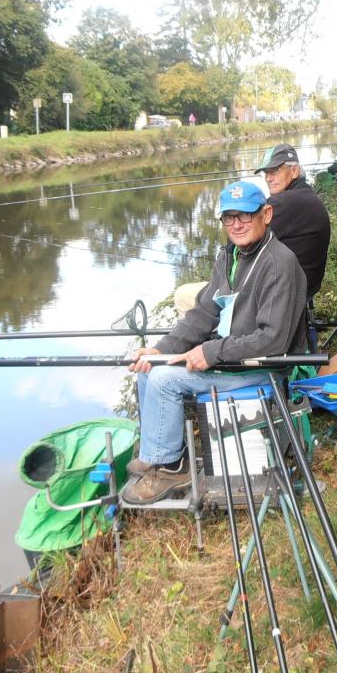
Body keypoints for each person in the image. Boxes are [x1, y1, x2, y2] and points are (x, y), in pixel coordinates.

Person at [123, 181, 308, 504]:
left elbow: (272, 338)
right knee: (150, 368)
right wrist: (160, 349)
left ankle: (169, 469)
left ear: (266, 214)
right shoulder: (230, 256)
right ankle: (160, 453)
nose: (236, 224)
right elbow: (203, 314)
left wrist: (210, 352)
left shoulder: (280, 263)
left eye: (245, 216)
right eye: (228, 217)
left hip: (262, 368)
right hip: (232, 360)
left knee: (165, 381)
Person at [255, 144, 331, 300]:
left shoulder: (282, 203)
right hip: (307, 287)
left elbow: (245, 242)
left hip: (284, 295)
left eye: (275, 171)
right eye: (266, 173)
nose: (269, 178)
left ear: (294, 171)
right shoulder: (305, 195)